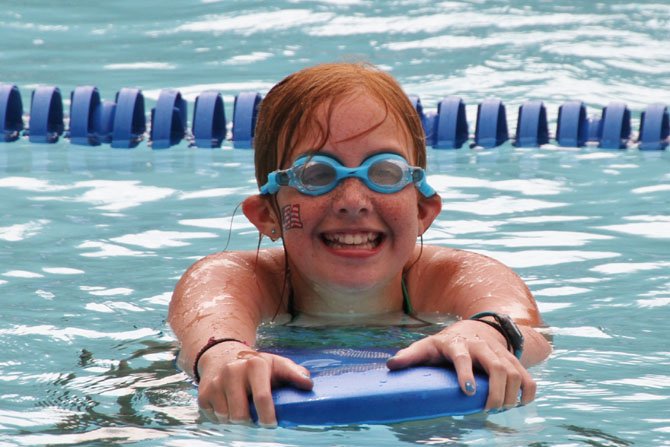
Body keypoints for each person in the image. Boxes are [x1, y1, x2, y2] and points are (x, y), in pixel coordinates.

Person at [168, 62, 552, 427]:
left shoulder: (457, 276)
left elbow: (528, 333)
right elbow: (210, 337)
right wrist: (226, 357)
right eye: (316, 174)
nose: (353, 200)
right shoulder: (238, 277)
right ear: (267, 214)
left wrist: (486, 333)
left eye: (385, 172)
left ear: (422, 210)